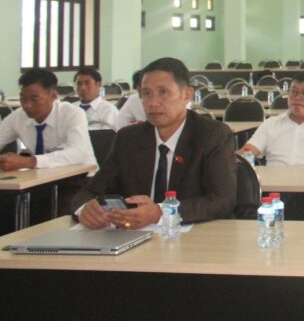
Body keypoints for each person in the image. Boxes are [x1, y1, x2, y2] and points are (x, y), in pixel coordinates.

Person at [72, 57, 236, 229]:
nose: (153, 102)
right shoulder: (128, 138)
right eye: (146, 93)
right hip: (133, 236)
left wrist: (160, 212)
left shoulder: (212, 135)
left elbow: (222, 200)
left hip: (194, 236)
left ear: (187, 95)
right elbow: (90, 191)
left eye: (163, 92)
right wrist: (85, 208)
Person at [240, 72, 304, 170]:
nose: (297, 97)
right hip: (274, 180)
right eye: (294, 92)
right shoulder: (271, 123)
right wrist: (238, 158)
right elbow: (248, 152)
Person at [0, 68, 96, 171]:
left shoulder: (73, 114)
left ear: (53, 96)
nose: (27, 105)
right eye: (23, 98)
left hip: (81, 176)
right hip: (42, 177)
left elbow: (78, 153)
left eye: (34, 99)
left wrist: (30, 161)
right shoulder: (17, 117)